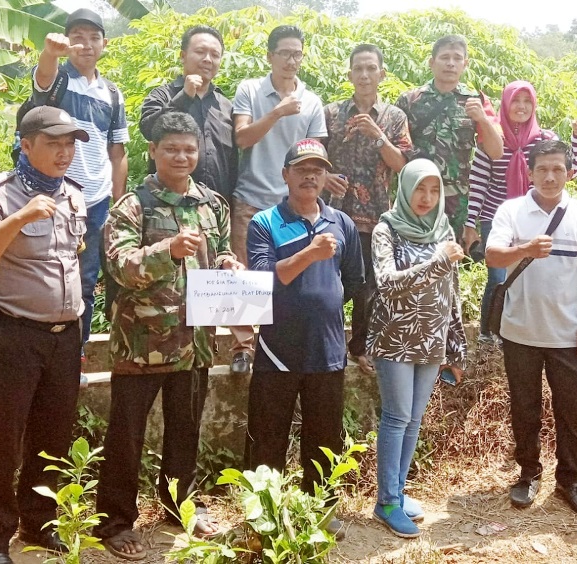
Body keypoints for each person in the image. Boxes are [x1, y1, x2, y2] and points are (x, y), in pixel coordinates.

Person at [93, 112, 243, 560]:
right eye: (171, 148)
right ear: (153, 152)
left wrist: (228, 265)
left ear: (199, 153)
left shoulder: (212, 203)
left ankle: (178, 507)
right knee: (127, 435)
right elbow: (119, 265)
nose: (182, 156)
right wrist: (167, 251)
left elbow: (220, 254)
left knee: (185, 431)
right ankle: (115, 522)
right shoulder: (132, 206)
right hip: (142, 346)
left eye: (189, 149)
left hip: (195, 342)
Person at [0, 106, 90, 564]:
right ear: (26, 144)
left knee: (52, 436)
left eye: (70, 144)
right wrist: (18, 219)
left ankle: (38, 522)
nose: (64, 152)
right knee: (1, 439)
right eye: (54, 143)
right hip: (14, 335)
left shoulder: (74, 195)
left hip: (63, 337)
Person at [245, 139, 364, 540]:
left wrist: (321, 305)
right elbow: (262, 280)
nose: (310, 175)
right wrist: (309, 255)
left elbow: (353, 282)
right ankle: (265, 516)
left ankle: (320, 513)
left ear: (326, 176)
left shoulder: (343, 223)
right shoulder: (265, 222)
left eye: (318, 169)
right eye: (301, 169)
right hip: (276, 350)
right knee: (267, 437)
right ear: (285, 175)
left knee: (324, 439)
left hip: (327, 350)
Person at [485, 139, 577, 518]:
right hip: (519, 331)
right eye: (542, 170)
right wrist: (524, 249)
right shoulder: (511, 211)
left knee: (572, 411)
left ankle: (570, 480)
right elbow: (492, 256)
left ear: (568, 171)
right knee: (525, 408)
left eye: (557, 169)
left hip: (568, 335)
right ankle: (528, 473)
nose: (550, 177)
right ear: (530, 173)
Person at [139, 25, 254, 376]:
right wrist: (184, 98)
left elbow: (235, 154)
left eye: (214, 54)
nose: (207, 59)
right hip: (167, 205)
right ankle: (169, 349)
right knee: (173, 279)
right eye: (199, 51)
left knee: (226, 271)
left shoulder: (226, 105)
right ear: (183, 55)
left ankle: (241, 349)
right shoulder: (162, 94)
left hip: (214, 207)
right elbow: (149, 130)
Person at [368, 159, 466, 538]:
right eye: (419, 189)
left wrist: (456, 349)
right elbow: (387, 283)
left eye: (434, 190)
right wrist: (437, 263)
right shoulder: (386, 229)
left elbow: (451, 294)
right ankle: (386, 502)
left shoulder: (443, 228)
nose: (426, 198)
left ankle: (397, 491)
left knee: (413, 420)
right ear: (405, 189)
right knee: (396, 417)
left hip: (432, 341)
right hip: (394, 339)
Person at [34, 8, 130, 382]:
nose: (86, 44)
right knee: (48, 274)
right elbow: (42, 81)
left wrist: (120, 203)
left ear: (104, 43)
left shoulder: (112, 92)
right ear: (68, 41)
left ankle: (74, 356)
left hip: (97, 200)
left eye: (94, 37)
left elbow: (117, 153)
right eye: (78, 36)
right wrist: (48, 53)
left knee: (86, 282)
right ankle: (43, 353)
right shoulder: (59, 78)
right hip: (55, 197)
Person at [229, 24, 326, 375]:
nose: (291, 60)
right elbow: (242, 137)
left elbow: (315, 155)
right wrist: (277, 112)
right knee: (244, 275)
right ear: (270, 56)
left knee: (290, 276)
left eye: (296, 53)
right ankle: (242, 348)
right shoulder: (249, 90)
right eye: (284, 52)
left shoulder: (312, 101)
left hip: (292, 207)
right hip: (252, 198)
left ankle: (283, 340)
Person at [463, 80, 577, 344]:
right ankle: (489, 333)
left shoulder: (545, 139)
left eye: (527, 101)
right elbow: (478, 181)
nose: (521, 107)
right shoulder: (491, 137)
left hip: (534, 214)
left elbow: (571, 170)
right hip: (495, 215)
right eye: (515, 101)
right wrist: (470, 222)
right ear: (505, 105)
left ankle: (527, 330)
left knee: (531, 272)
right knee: (498, 275)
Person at [323, 43, 413, 375]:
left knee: (368, 286)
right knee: (329, 278)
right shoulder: (330, 112)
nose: (364, 75)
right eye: (358, 69)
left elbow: (402, 163)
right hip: (333, 210)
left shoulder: (394, 117)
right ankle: (322, 336)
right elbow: (314, 157)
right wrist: (325, 176)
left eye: (370, 68)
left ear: (381, 74)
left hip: (376, 213)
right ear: (349, 74)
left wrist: (377, 135)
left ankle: (360, 347)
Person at [396, 34, 503, 236]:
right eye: (445, 57)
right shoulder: (409, 100)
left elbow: (496, 152)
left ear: (465, 64)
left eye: (457, 58)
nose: (451, 63)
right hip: (415, 194)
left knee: (449, 260)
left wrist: (483, 120)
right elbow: (395, 151)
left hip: (455, 200)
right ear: (432, 62)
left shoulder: (477, 100)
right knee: (410, 258)